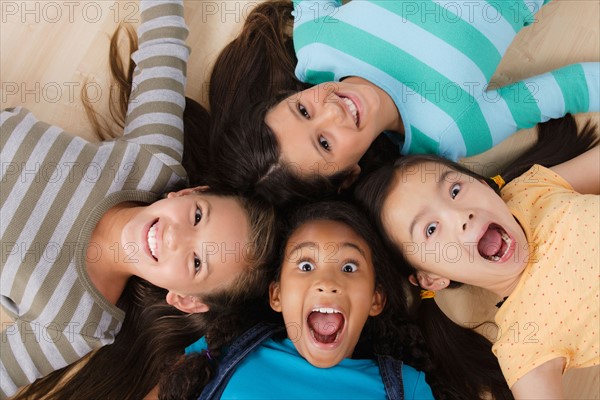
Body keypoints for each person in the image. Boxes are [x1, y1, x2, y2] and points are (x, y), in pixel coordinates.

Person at [0, 1, 276, 397]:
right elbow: (163, 36)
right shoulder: (153, 162)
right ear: (190, 192)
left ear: (186, 300)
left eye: (198, 262)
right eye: (198, 216)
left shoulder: (78, 324)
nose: (176, 236)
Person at [204, 0, 599, 206]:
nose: (332, 111)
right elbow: (569, 89)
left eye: (303, 110)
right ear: (348, 175)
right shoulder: (451, 131)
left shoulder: (317, 47)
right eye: (324, 142)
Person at [159, 201, 513, 400]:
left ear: (376, 300)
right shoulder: (221, 351)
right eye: (306, 264)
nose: (326, 282)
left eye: (349, 266)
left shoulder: (408, 388)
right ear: (277, 295)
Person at [354, 114, 599, 399]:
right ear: (431, 278)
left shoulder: (530, 190)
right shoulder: (523, 342)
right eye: (431, 229)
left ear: (483, 185)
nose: (461, 216)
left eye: (455, 190)